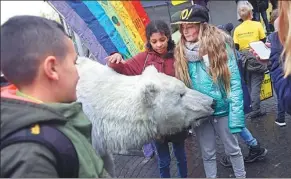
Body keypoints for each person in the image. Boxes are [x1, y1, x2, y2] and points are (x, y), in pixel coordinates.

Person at [1, 16, 107, 178]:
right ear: (52, 68)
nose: (78, 74)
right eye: (74, 63)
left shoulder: (52, 121)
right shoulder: (32, 156)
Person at [106, 20, 188, 178]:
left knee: (181, 157)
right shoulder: (143, 59)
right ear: (149, 41)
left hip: (177, 117)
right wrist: (115, 57)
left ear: (169, 38)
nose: (159, 45)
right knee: (163, 160)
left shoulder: (179, 55)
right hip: (156, 122)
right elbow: (124, 69)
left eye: (162, 40)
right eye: (154, 41)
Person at [172, 4, 246, 178]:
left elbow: (234, 83)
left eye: (189, 26)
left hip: (223, 110)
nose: (185, 31)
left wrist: (236, 118)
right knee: (208, 154)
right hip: (201, 113)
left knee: (233, 150)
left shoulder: (219, 46)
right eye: (182, 27)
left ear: (201, 25)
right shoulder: (180, 52)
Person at [217, 24, 268, 166]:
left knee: (230, 126)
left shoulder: (223, 57)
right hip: (235, 95)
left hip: (228, 97)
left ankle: (235, 153)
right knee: (236, 124)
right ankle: (254, 147)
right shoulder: (233, 52)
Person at [234, 4, 268, 119]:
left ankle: (251, 106)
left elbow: (236, 47)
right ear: (250, 14)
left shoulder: (237, 29)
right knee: (256, 84)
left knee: (248, 83)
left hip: (244, 59)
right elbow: (263, 40)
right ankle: (256, 109)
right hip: (256, 55)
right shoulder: (257, 25)